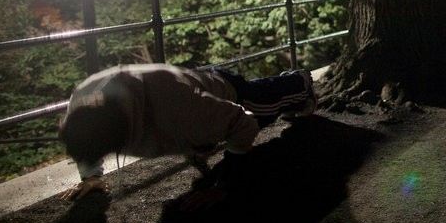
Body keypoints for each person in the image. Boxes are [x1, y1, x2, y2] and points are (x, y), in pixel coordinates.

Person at [58, 63, 316, 201]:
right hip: (185, 86)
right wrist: (90, 176)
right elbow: (88, 136)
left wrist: (224, 184)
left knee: (269, 103)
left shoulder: (175, 111)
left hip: (227, 92)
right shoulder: (82, 102)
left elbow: (242, 123)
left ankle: (300, 81)